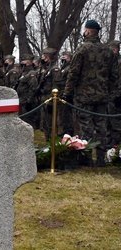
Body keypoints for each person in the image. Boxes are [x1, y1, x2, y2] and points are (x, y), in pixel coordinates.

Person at [64, 20, 119, 167]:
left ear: (87, 31)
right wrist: (111, 95)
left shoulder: (82, 49)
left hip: (84, 97)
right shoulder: (108, 51)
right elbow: (115, 76)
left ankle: (86, 158)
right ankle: (101, 159)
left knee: (85, 128)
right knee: (101, 128)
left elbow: (73, 73)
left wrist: (67, 93)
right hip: (102, 97)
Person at [36, 47, 62, 141]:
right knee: (45, 121)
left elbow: (56, 85)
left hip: (50, 98)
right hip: (44, 97)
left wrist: (52, 100)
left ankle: (52, 141)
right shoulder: (46, 69)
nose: (41, 59)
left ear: (47, 57)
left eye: (43, 57)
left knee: (51, 121)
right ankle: (47, 140)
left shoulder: (54, 69)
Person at [16, 54, 39, 128]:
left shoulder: (31, 73)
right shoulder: (23, 73)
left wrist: (29, 100)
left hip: (26, 100)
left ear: (28, 63)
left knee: (27, 120)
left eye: (23, 61)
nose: (21, 63)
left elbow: (33, 87)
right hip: (21, 99)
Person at [106, 40, 121, 148]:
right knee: (109, 119)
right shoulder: (111, 62)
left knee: (116, 121)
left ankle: (116, 141)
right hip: (109, 93)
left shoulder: (119, 62)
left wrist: (119, 95)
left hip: (117, 94)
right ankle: (111, 139)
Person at [58, 51, 75, 136]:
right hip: (62, 91)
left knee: (68, 113)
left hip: (67, 92)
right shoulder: (63, 67)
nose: (63, 58)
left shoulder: (69, 67)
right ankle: (65, 129)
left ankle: (69, 130)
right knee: (63, 113)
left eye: (65, 56)